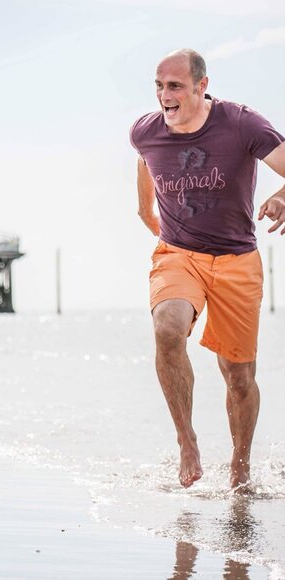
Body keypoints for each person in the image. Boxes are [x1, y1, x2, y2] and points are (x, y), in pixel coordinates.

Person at [131, 48, 285, 490]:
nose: (165, 96)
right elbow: (145, 159)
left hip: (238, 261)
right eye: (159, 86)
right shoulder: (145, 131)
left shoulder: (242, 124)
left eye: (175, 86)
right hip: (179, 254)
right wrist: (146, 212)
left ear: (202, 85)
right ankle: (187, 440)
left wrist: (281, 196)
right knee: (167, 328)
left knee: (238, 376)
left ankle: (240, 468)